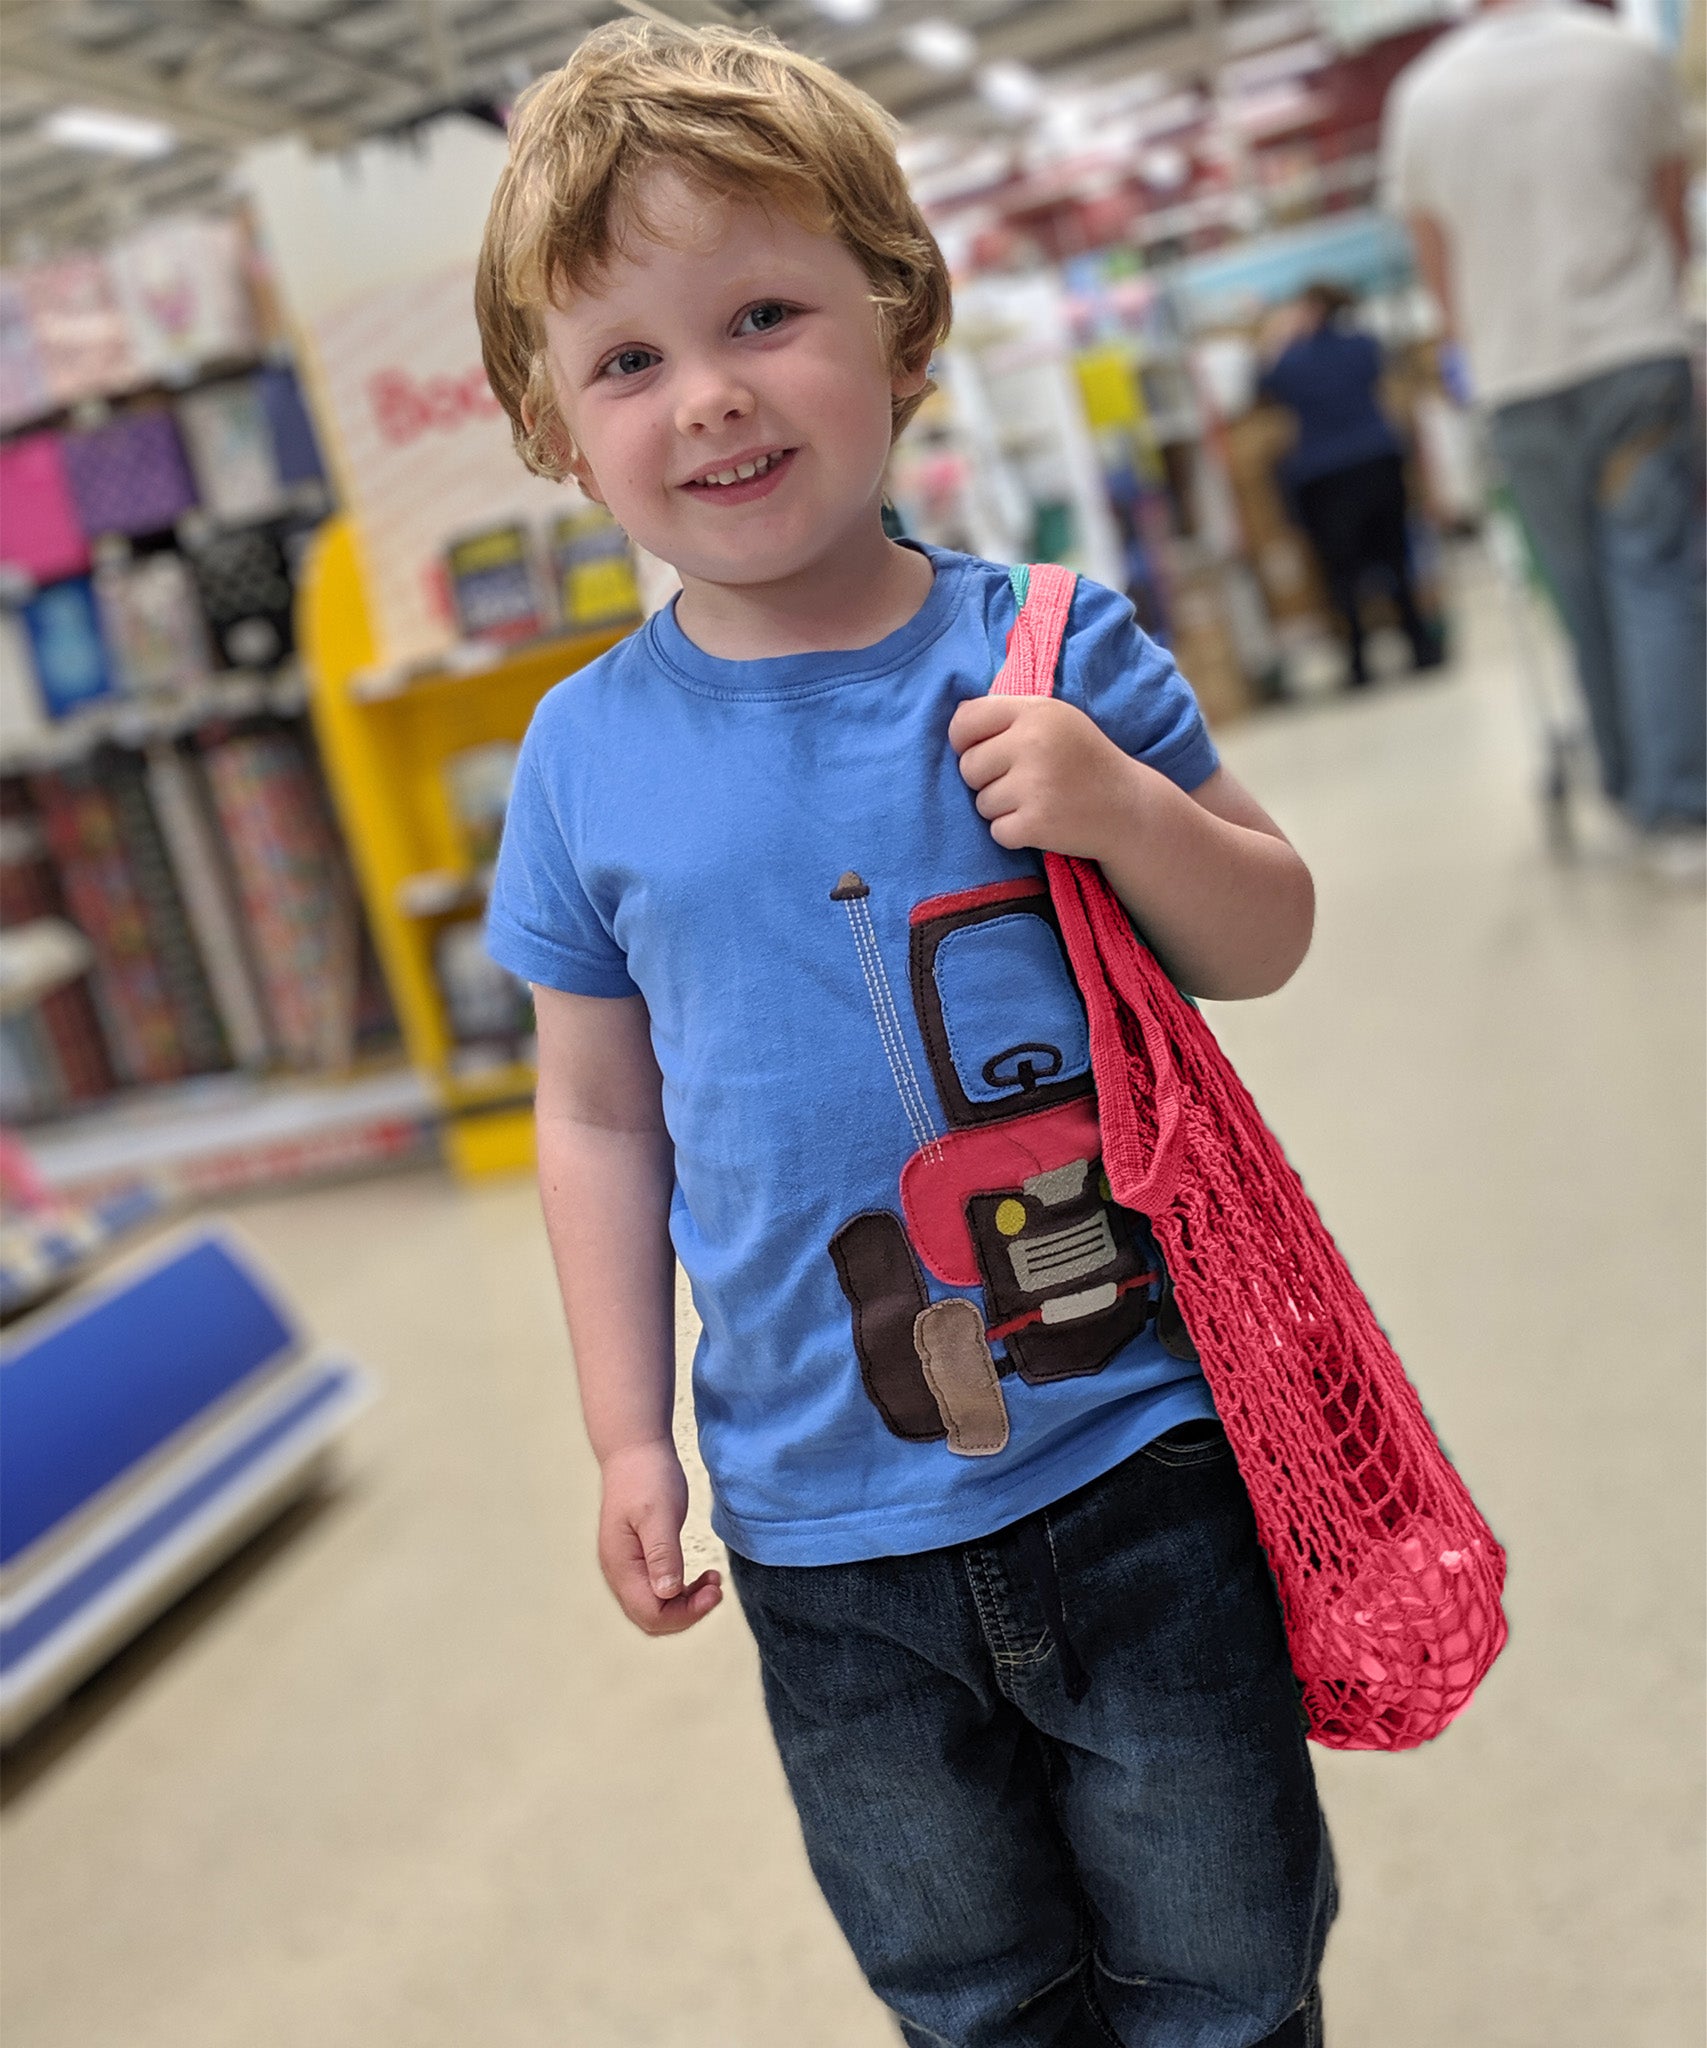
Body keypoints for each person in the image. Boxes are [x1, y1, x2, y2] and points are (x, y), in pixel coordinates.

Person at [477, 23, 1335, 2046]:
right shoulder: (581, 757)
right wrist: (624, 1428)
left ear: (899, 312)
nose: (709, 397)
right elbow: (597, 1115)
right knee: (966, 1990)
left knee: (1224, 1966)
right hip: (817, 1530)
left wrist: (1121, 811)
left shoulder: (1045, 641)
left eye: (762, 313)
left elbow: (1267, 928)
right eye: (625, 359)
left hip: (1135, 1453)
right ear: (551, 422)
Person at [1382, 0, 1706, 869]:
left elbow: (1433, 254)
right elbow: (1670, 208)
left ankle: (1631, 786)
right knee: (1654, 568)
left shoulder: (1424, 95)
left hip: (1514, 377)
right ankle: (1677, 810)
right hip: (1632, 351)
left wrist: (1468, 354)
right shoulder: (1621, 56)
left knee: (1575, 585)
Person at [1257, 281, 1443, 688]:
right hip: (1377, 460)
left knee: (1341, 575)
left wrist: (1279, 339)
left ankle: (1359, 663)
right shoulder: (1363, 344)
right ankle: (1420, 647)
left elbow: (1263, 385)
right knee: (1397, 559)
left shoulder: (1291, 361)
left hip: (1323, 476)